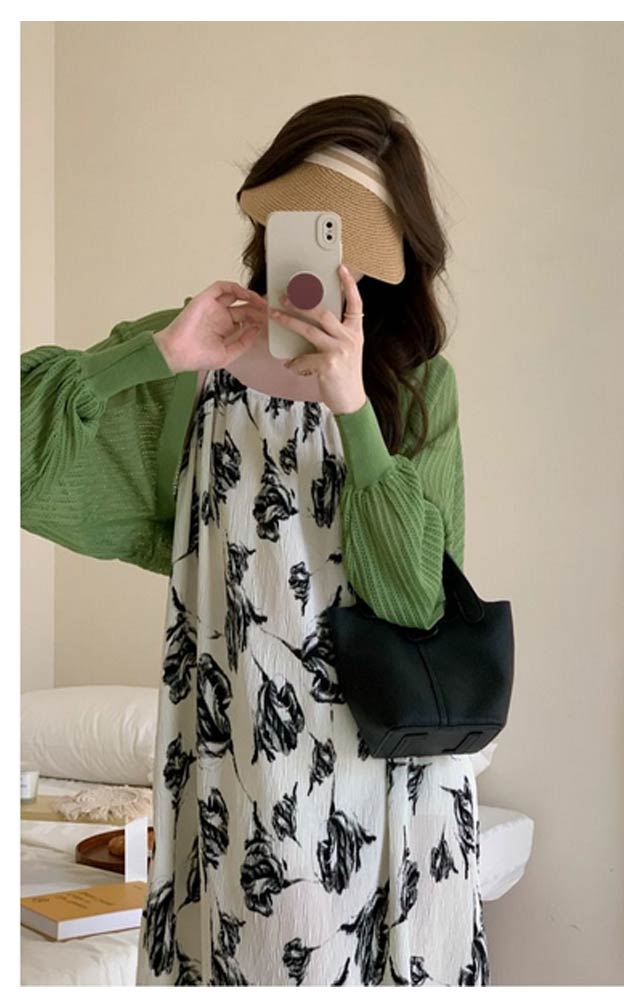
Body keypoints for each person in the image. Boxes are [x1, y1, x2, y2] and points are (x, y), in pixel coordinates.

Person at [21, 93, 488, 986]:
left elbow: (416, 598)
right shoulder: (191, 360)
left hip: (389, 782)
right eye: (310, 222)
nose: (330, 256)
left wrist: (352, 408)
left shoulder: (418, 384)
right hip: (231, 768)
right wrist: (156, 355)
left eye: (354, 235)